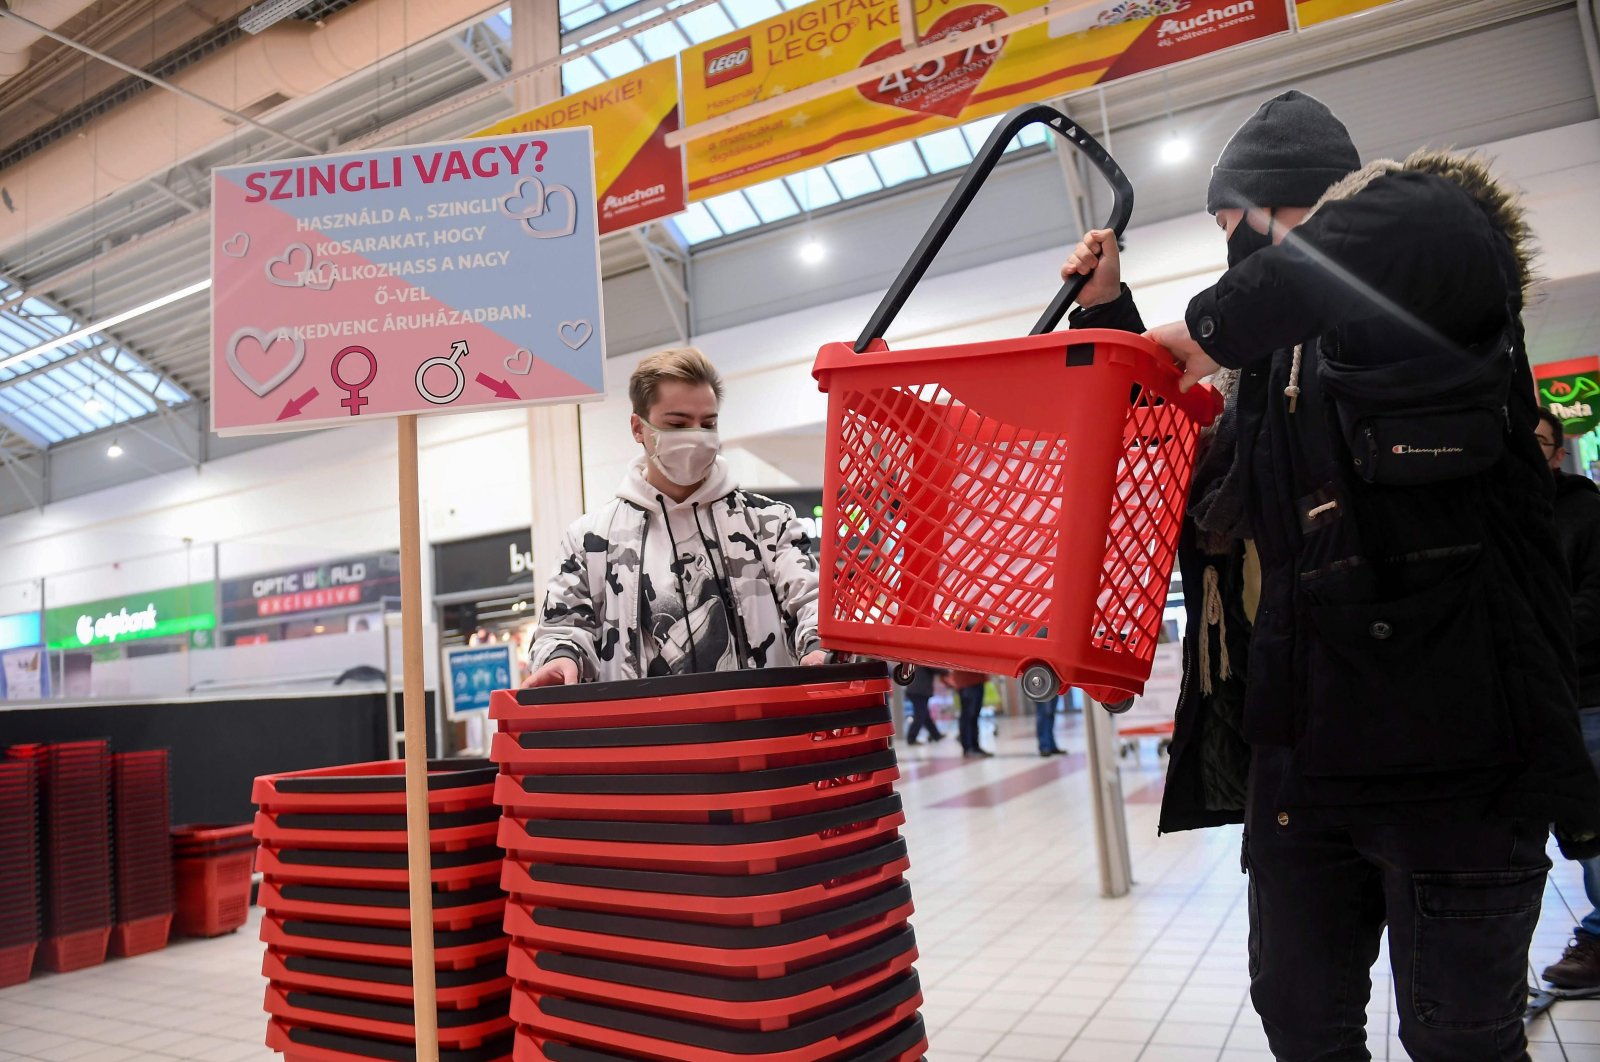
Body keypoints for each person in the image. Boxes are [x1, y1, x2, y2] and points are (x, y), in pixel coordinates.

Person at [1062, 89, 1600, 1058]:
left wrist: (1210, 325)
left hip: (1458, 764)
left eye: (1239, 225)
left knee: (1461, 1039)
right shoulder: (1268, 374)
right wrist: (1116, 317)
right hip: (1302, 765)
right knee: (1300, 1023)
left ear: (1296, 207)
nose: (1237, 253)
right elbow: (1194, 462)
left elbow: (1427, 219)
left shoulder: (1436, 284)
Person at [526, 347, 826, 684]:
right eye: (678, 423)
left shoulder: (768, 523)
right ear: (639, 428)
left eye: (707, 423)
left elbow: (811, 601)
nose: (696, 435)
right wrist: (561, 658)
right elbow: (562, 627)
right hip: (648, 732)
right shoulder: (590, 540)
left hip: (760, 729)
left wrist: (818, 646)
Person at [1537, 408, 1600, 990]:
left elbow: (1594, 603)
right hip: (1525, 697)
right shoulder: (1496, 510)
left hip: (1586, 692)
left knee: (1596, 824)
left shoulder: (1585, 512)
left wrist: (1534, 643)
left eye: (1540, 442)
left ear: (1559, 453)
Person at [943, 667, 990, 758]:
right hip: (966, 682)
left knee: (974, 716)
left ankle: (975, 747)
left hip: (977, 678)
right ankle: (968, 748)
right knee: (968, 716)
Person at [903, 665, 946, 745]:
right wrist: (947, 669)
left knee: (925, 716)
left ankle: (936, 735)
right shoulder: (926, 659)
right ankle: (911, 738)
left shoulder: (921, 658)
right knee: (920, 715)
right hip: (919, 691)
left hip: (918, 690)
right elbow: (935, 667)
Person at [1033, 693, 1063, 757]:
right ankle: (1044, 747)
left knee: (1050, 715)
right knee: (1044, 714)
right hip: (1041, 687)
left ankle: (1051, 746)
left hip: (1055, 686)